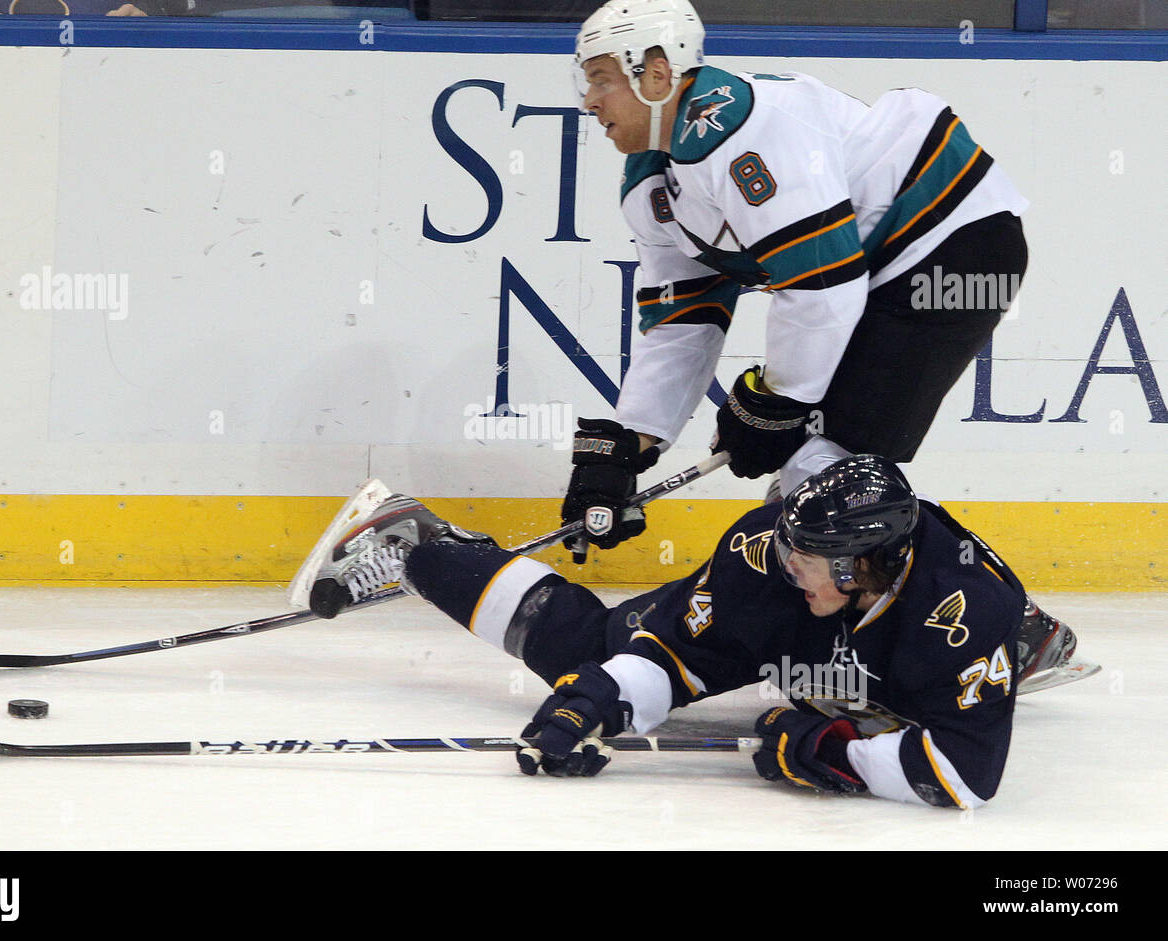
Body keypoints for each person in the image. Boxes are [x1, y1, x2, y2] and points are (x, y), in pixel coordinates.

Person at [559, 0, 1081, 687]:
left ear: (657, 73)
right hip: (888, 263)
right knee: (822, 473)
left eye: (601, 79)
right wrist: (630, 443)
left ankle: (1002, 628)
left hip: (955, 244)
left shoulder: (742, 129)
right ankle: (975, 626)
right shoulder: (653, 183)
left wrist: (776, 405)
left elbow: (823, 284)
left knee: (826, 468)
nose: (588, 101)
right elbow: (684, 319)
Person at [302, 455, 1024, 808]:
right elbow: (672, 655)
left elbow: (962, 774)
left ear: (863, 562)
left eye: (808, 558)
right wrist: (599, 697)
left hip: (916, 658)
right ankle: (419, 545)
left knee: (921, 702)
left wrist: (824, 751)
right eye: (789, 547)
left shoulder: (962, 613)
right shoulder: (764, 556)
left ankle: (1026, 647)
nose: (787, 561)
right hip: (812, 641)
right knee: (591, 649)